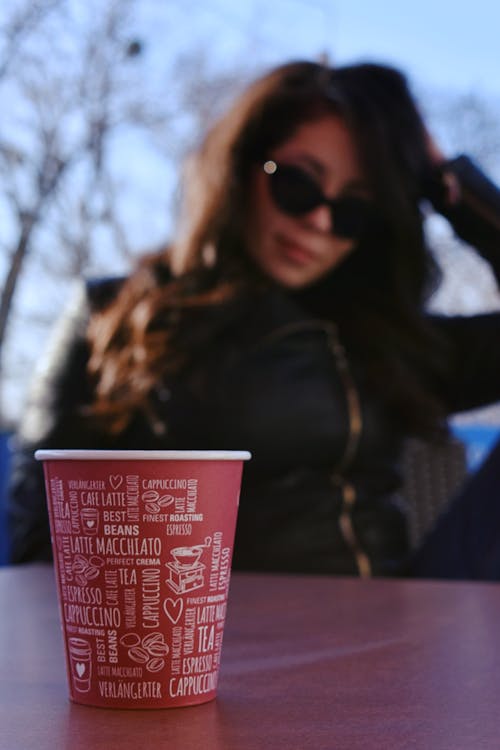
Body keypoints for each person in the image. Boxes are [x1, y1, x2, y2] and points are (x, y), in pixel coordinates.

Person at [7, 59, 500, 578]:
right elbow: (36, 529)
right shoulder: (111, 312)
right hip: (188, 626)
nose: (318, 220)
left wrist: (454, 187)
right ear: (242, 167)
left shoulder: (392, 340)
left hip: (384, 616)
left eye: (353, 210)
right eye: (297, 184)